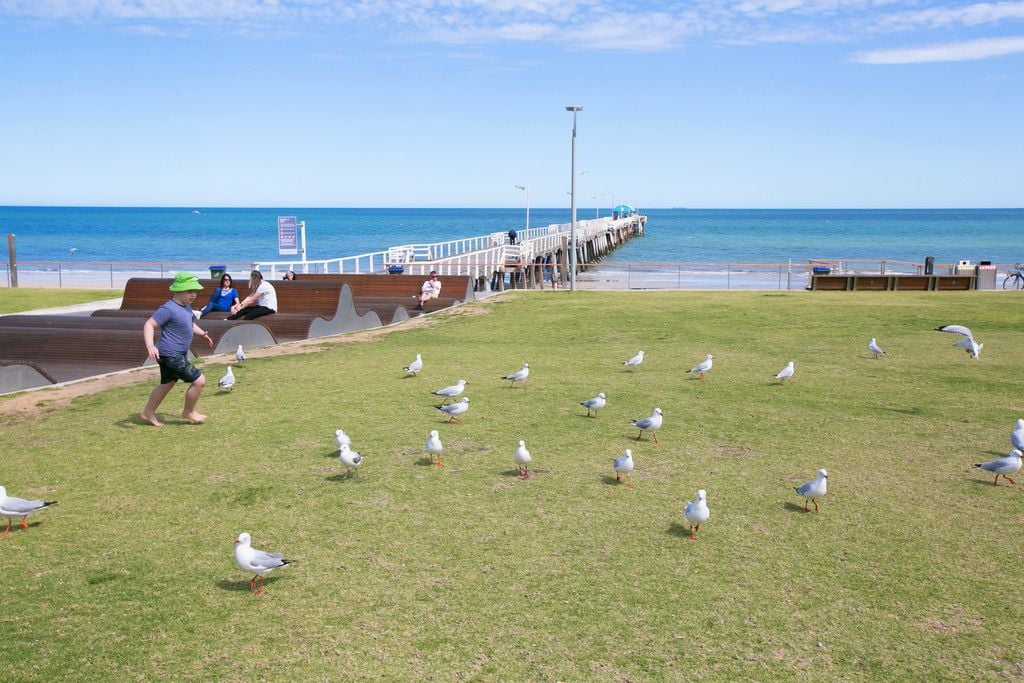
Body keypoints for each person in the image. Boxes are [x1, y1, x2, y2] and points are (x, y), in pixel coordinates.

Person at [139, 272, 215, 426]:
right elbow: (149, 324)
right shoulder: (168, 308)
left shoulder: (186, 307)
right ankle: (189, 412)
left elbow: (189, 323)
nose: (193, 295)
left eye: (194, 291)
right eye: (189, 291)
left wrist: (202, 334)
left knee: (167, 383)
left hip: (176, 354)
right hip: (170, 355)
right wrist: (150, 345)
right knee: (199, 381)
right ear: (177, 291)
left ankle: (148, 413)